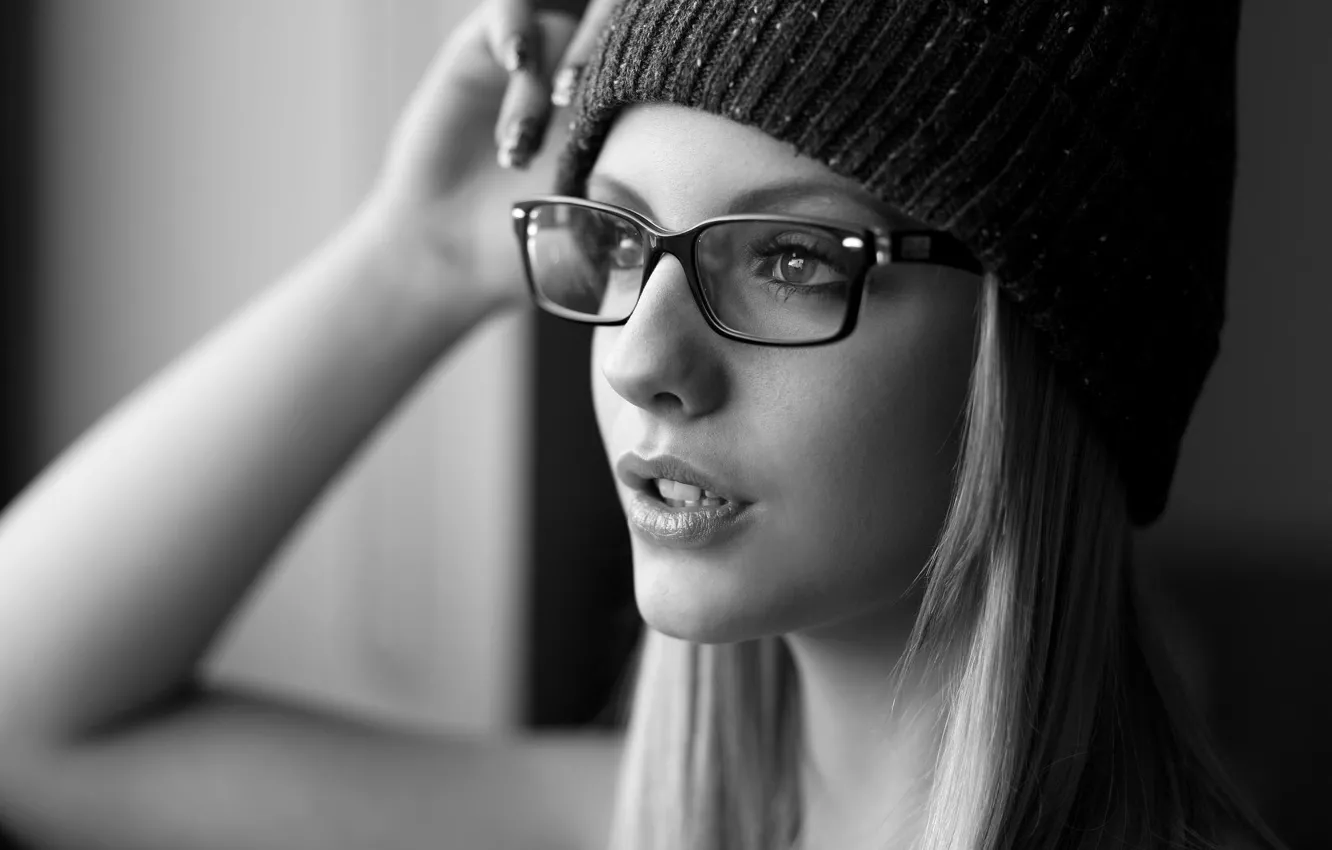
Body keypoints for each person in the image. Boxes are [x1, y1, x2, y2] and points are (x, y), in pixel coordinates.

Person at [0, 1, 1291, 849]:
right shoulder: (636, 827)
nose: (640, 359)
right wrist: (416, 259)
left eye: (790, 257)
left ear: (1049, 345)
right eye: (621, 239)